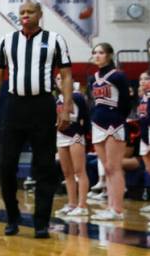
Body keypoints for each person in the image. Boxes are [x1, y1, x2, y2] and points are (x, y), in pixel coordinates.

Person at [0, 0, 72, 238]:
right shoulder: (6, 41)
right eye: (22, 12)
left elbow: (65, 76)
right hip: (14, 106)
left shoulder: (55, 39)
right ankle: (12, 217)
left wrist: (66, 108)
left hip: (42, 105)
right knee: (6, 165)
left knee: (44, 167)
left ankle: (41, 223)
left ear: (39, 15)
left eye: (30, 12)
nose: (25, 15)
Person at [87, 43, 131, 221]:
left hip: (114, 124)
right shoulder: (92, 78)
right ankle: (110, 206)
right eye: (95, 53)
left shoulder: (118, 76)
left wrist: (118, 118)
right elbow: (93, 101)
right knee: (106, 168)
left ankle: (117, 209)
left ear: (110, 55)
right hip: (97, 124)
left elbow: (127, 102)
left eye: (101, 53)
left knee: (114, 167)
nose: (97, 56)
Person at [55, 75, 91, 218]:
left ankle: (82, 206)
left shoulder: (77, 97)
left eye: (62, 78)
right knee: (67, 173)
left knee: (79, 171)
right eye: (57, 79)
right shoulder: (58, 99)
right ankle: (72, 204)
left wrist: (80, 134)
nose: (60, 81)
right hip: (61, 136)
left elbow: (86, 119)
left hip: (75, 135)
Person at [137, 70, 150, 214]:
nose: (142, 82)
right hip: (144, 136)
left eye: (146, 79)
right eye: (141, 79)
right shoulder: (143, 98)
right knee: (148, 169)